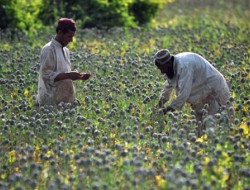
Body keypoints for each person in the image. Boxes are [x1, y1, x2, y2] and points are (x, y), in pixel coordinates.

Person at [154, 49, 232, 123]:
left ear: (168, 63)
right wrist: (159, 105)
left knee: (220, 122)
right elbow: (168, 86)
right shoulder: (171, 68)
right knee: (201, 128)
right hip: (201, 94)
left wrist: (167, 110)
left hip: (214, 90)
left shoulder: (184, 66)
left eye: (163, 69)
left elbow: (184, 94)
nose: (162, 72)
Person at [36, 18, 91, 106]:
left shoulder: (66, 50)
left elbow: (64, 74)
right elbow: (45, 74)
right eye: (69, 36)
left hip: (65, 101)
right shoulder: (48, 49)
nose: (71, 40)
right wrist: (68, 75)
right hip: (50, 102)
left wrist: (79, 76)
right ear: (60, 32)